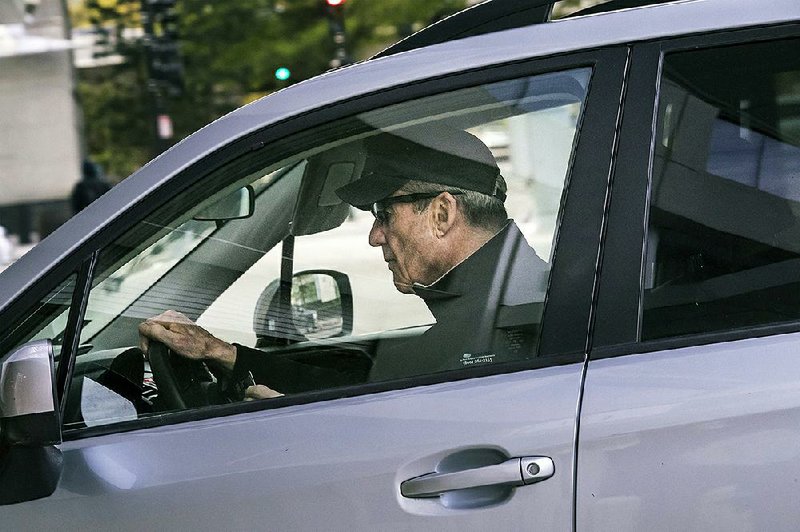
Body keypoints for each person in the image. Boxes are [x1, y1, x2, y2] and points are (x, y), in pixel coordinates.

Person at [139, 129, 548, 400]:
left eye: (384, 213)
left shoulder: (512, 326)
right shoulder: (492, 307)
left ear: (442, 214)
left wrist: (303, 424)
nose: (375, 236)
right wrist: (219, 352)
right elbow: (373, 388)